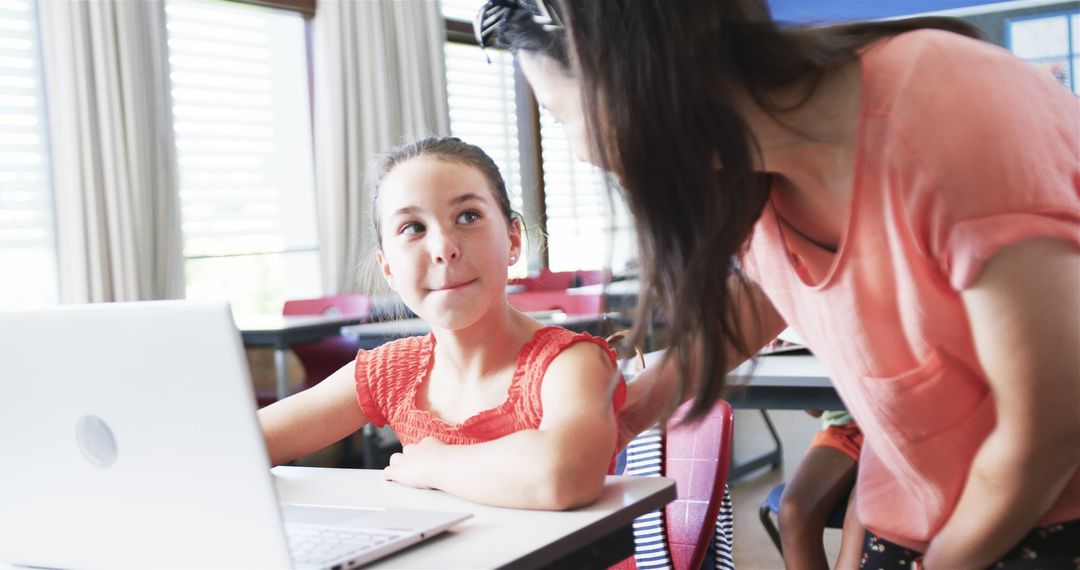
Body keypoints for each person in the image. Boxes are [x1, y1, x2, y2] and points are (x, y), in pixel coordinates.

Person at [477, 0, 1080, 566]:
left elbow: (1048, 433)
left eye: (561, 117)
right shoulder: (753, 167)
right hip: (917, 515)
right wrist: (633, 409)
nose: (580, 151)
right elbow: (768, 286)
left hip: (1042, 522)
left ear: (626, 79)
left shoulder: (950, 108)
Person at [258, 136, 626, 510]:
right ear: (387, 267)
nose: (443, 248)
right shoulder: (389, 371)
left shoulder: (570, 361)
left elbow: (564, 475)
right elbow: (242, 443)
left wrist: (433, 463)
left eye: (468, 216)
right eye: (413, 227)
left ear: (513, 238)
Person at [778, 411, 863, 570]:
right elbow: (815, 408)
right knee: (793, 510)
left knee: (863, 513)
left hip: (900, 432)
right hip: (845, 430)